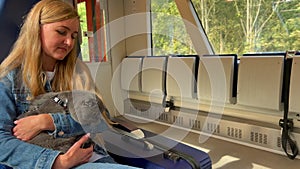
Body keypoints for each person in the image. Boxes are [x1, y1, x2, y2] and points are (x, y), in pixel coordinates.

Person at [0, 0, 139, 169]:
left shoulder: (79, 72)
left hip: (91, 156)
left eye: (73, 36)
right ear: (36, 30)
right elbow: (2, 143)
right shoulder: (9, 79)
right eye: (61, 32)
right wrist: (58, 162)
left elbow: (100, 120)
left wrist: (48, 121)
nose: (69, 43)